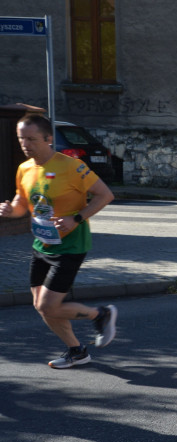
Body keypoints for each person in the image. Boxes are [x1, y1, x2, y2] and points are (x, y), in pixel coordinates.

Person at [0, 113, 117, 368]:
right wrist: (11, 211)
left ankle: (101, 314)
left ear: (48, 139)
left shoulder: (71, 166)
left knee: (48, 305)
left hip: (71, 245)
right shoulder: (25, 168)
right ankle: (77, 351)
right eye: (22, 139)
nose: (25, 144)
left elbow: (105, 195)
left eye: (31, 139)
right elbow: (22, 204)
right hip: (41, 245)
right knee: (41, 306)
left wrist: (77, 218)